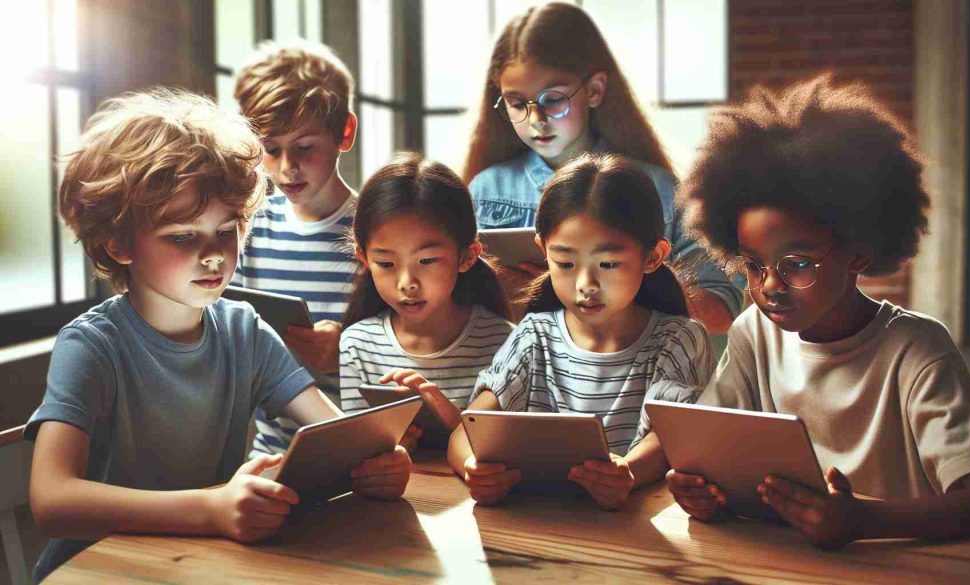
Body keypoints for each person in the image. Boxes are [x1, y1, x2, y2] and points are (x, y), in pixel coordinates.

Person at [25, 89, 411, 582]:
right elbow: (52, 500)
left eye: (226, 231)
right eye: (184, 236)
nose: (213, 256)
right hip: (95, 571)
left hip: (199, 565)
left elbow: (335, 432)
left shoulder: (243, 329)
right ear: (118, 243)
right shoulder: (92, 346)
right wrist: (212, 508)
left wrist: (376, 459)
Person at [668, 75, 970, 548]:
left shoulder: (916, 350)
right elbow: (711, 451)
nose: (768, 287)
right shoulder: (754, 331)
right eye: (752, 266)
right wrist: (702, 490)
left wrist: (865, 522)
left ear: (860, 251)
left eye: (796, 265)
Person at [448, 153, 716, 509]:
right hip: (538, 524)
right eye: (566, 263)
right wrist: (474, 467)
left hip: (634, 532)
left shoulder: (677, 339)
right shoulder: (533, 335)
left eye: (607, 264)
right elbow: (468, 428)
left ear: (652, 257)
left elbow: (669, 437)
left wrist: (629, 472)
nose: (586, 284)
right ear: (543, 251)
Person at [463, 1, 740, 332]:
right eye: (517, 103)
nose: (536, 120)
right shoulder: (485, 190)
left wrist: (595, 286)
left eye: (553, 100)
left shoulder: (661, 188)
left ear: (594, 90)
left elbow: (721, 311)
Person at [232, 40, 362, 457]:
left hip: (367, 452)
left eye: (304, 147)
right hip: (273, 454)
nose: (287, 167)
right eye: (271, 149)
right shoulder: (246, 228)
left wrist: (345, 352)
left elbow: (421, 348)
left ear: (345, 132)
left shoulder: (379, 232)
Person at [338, 153, 514, 448]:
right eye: (386, 263)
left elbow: (508, 453)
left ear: (467, 256)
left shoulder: (505, 342)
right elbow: (357, 454)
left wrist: (451, 420)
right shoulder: (358, 344)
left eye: (427, 260)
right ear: (364, 260)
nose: (407, 283)